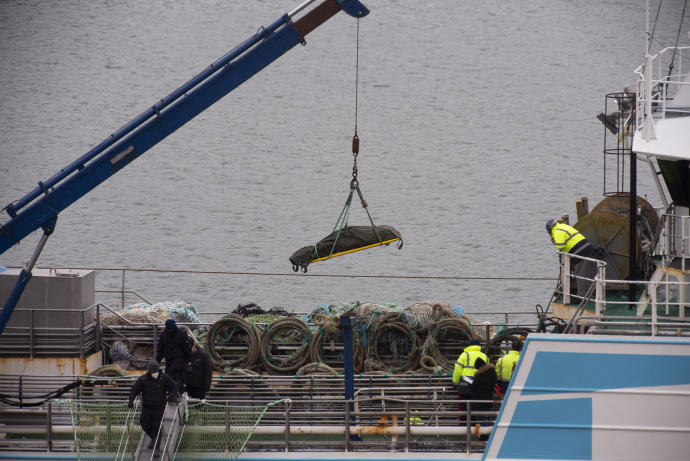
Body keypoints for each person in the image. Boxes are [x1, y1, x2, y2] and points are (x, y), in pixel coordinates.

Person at [128, 360, 177, 451]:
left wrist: (171, 395)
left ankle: (157, 449)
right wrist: (131, 400)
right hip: (147, 407)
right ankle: (154, 439)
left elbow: (174, 386)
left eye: (156, 371)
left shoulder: (164, 378)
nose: (155, 374)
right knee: (144, 425)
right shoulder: (143, 379)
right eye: (153, 372)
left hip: (159, 407)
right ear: (149, 371)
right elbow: (134, 390)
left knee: (157, 427)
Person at [546, 219, 598, 297]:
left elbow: (560, 245)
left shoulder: (556, 231)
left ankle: (581, 297)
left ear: (549, 230)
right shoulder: (564, 226)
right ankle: (593, 293)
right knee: (589, 274)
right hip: (588, 248)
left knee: (580, 274)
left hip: (580, 252)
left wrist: (554, 241)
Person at [452, 339, 488, 422]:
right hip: (479, 386)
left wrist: (455, 382)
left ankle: (464, 426)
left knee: (464, 407)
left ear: (470, 346)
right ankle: (475, 425)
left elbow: (457, 369)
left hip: (465, 385)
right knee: (477, 407)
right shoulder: (485, 356)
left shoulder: (464, 355)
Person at [156, 319, 191, 394]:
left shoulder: (181, 334)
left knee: (171, 374)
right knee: (173, 375)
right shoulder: (164, 335)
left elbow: (186, 349)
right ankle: (176, 392)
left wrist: (188, 360)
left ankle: (176, 393)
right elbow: (160, 350)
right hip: (169, 360)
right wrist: (157, 362)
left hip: (179, 359)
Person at [470, 357, 498, 438]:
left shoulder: (480, 375)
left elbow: (473, 387)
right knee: (487, 417)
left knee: (480, 418)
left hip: (479, 400)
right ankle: (488, 434)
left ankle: (483, 435)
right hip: (489, 398)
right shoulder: (492, 372)